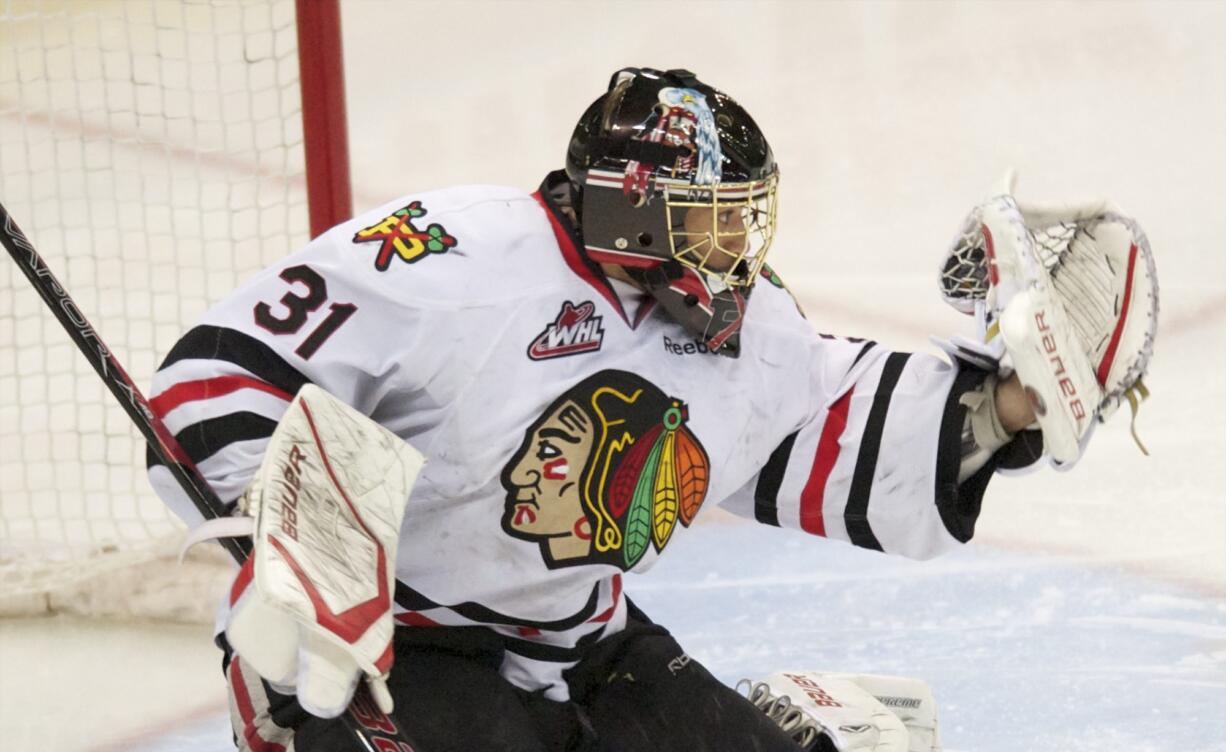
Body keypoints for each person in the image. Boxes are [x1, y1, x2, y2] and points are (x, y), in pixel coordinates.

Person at [146, 67, 1150, 751]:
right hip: (393, 647)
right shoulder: (454, 260)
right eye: (713, 224)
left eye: (743, 221)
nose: (735, 253)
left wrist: (1014, 402)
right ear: (633, 206)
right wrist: (295, 562)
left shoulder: (743, 332)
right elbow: (216, 373)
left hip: (582, 646)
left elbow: (831, 432)